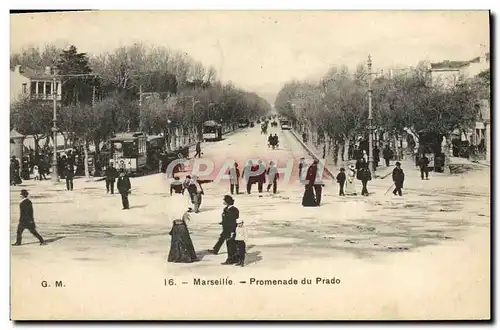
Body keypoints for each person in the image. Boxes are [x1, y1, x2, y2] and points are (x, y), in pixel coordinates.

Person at [167, 179, 197, 263]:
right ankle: (187, 256)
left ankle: (176, 256)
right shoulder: (183, 197)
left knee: (176, 240)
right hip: (182, 221)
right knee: (184, 239)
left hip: (175, 221)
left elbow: (169, 210)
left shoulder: (171, 199)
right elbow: (188, 208)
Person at [208, 195, 240, 266]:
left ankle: (231, 259)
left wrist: (232, 231)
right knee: (223, 239)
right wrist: (223, 222)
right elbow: (226, 218)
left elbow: (233, 221)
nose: (223, 202)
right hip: (226, 228)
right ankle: (216, 250)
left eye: (224, 200)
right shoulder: (226, 209)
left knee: (230, 244)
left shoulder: (234, 210)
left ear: (228, 201)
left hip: (231, 229)